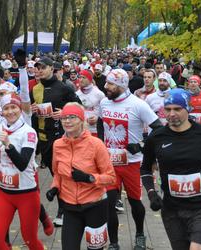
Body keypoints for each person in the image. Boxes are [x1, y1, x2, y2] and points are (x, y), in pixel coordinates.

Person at [141, 88, 201, 250]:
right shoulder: (156, 138)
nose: (171, 114)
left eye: (177, 109)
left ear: (187, 109)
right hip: (172, 210)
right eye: (167, 109)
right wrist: (151, 193)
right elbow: (146, 169)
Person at [98, 69, 161, 250]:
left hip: (133, 163)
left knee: (135, 202)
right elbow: (101, 123)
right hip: (110, 163)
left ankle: (140, 234)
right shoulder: (104, 102)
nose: (106, 86)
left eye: (110, 84)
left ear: (121, 85)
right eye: (107, 83)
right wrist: (101, 144)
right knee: (109, 203)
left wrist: (141, 144)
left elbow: (158, 128)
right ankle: (114, 243)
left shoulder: (138, 104)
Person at [46, 103, 116, 250]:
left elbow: (110, 177)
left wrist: (89, 178)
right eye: (64, 117)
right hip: (70, 207)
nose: (67, 121)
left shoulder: (96, 144)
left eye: (72, 117)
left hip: (95, 205)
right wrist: (54, 188)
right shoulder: (58, 145)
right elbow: (58, 173)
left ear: (81, 120)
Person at [0, 93, 44, 250]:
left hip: (26, 194)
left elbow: (23, 163)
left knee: (30, 240)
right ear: (1, 111)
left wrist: (8, 145)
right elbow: (3, 157)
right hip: (4, 193)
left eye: (14, 107)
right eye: (6, 109)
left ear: (20, 109)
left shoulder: (29, 132)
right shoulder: (2, 129)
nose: (10, 112)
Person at [30, 56, 81, 226]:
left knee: (61, 174)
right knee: (55, 174)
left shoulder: (64, 88)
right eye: (37, 67)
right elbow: (33, 115)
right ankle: (67, 206)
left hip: (62, 138)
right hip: (43, 137)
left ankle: (63, 210)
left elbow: (79, 108)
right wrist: (33, 110)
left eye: (43, 67)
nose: (39, 70)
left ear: (52, 68)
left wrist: (64, 113)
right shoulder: (35, 89)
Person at [76, 70, 105, 137]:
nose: (81, 80)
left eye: (84, 77)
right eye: (79, 77)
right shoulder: (76, 94)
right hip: (81, 130)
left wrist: (98, 119)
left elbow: (105, 111)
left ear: (90, 79)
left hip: (95, 130)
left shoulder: (99, 94)